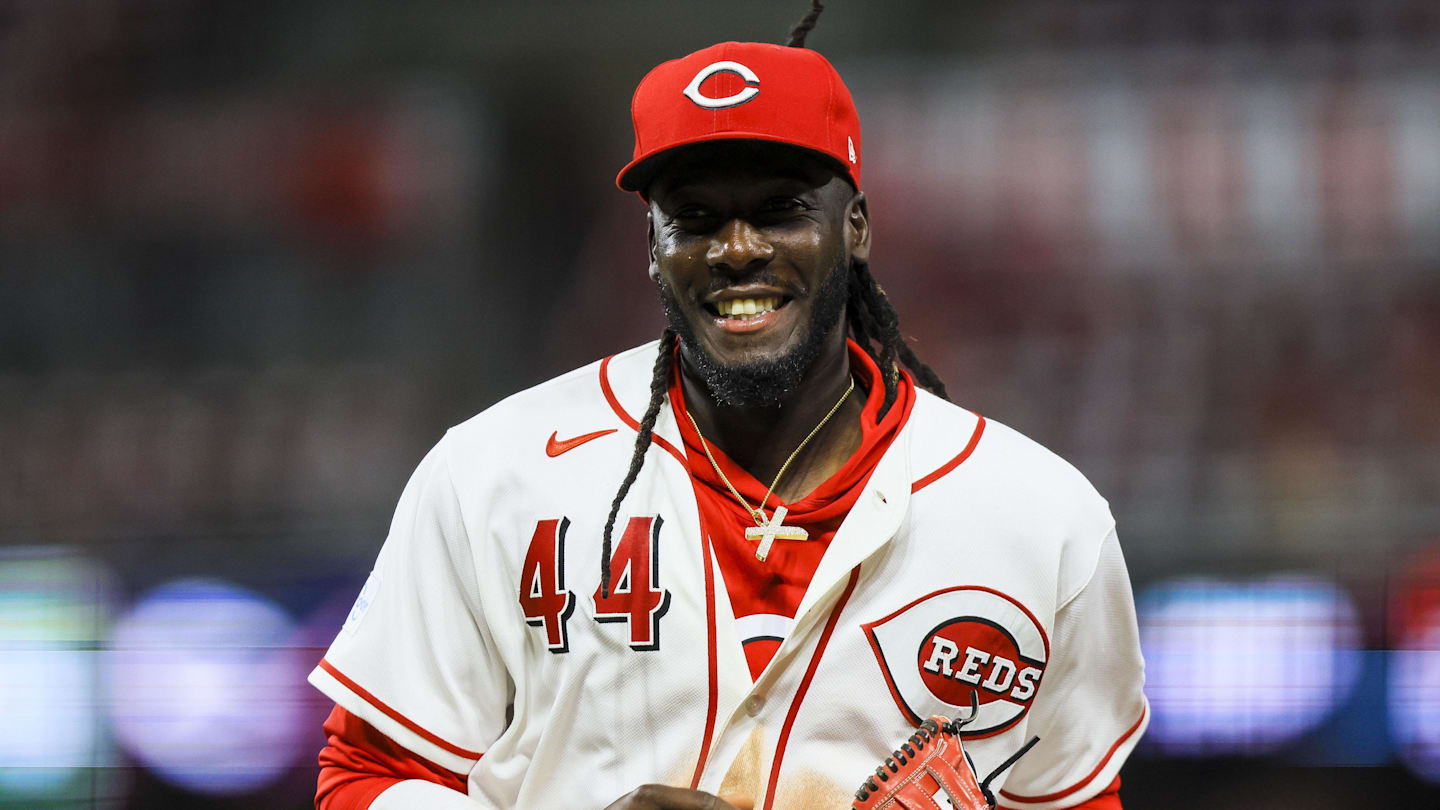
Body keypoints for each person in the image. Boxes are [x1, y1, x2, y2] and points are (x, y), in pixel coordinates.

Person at [307, 6, 1148, 810]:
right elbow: (366, 776)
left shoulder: (1043, 520)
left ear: (854, 228)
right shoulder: (491, 473)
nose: (738, 249)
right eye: (696, 218)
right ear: (652, 246)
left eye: (780, 210)